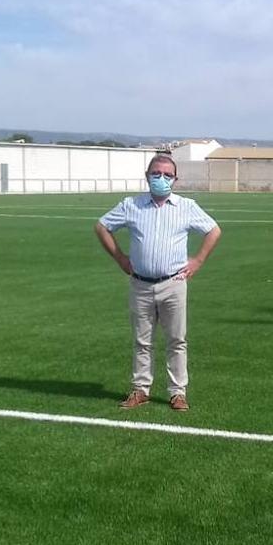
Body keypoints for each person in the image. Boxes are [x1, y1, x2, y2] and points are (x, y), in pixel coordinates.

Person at [95, 154, 221, 411]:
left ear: (175, 179)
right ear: (147, 176)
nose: (161, 179)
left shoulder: (186, 207)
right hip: (140, 284)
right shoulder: (132, 205)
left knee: (177, 340)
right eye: (156, 174)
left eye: (167, 175)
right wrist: (120, 257)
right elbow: (102, 226)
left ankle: (177, 392)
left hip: (173, 283)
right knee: (142, 340)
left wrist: (197, 261)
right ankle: (141, 389)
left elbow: (213, 230)